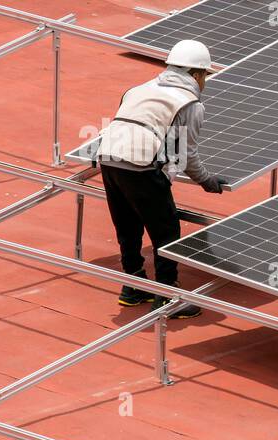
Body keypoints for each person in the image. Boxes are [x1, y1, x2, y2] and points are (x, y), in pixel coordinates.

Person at [95, 39, 227, 319]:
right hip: (140, 165)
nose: (205, 81)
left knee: (128, 225)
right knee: (166, 230)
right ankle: (167, 295)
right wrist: (206, 181)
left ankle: (133, 286)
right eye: (205, 75)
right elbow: (187, 153)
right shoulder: (190, 103)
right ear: (195, 74)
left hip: (107, 158)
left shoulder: (139, 89)